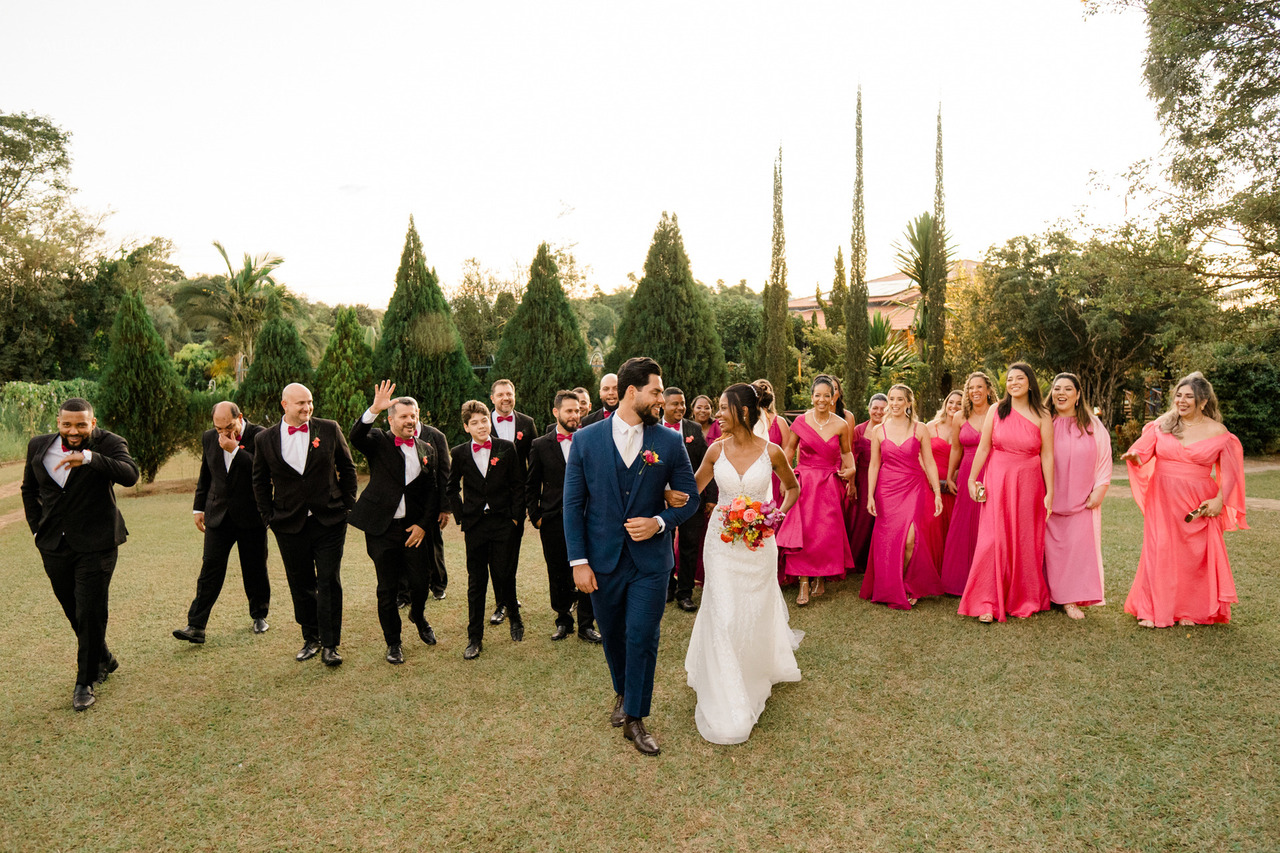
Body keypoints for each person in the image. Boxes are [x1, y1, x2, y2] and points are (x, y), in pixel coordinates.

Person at [563, 356, 699, 756]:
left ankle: (636, 718)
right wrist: (578, 562)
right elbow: (572, 505)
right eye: (656, 391)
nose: (661, 399)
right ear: (632, 392)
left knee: (642, 635)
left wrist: (659, 521)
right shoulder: (585, 440)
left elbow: (690, 499)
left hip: (650, 564)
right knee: (614, 636)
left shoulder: (668, 441)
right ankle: (623, 692)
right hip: (602, 560)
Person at [685, 383, 801, 745]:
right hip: (720, 544)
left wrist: (777, 515)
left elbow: (792, 488)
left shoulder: (772, 451)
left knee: (752, 609)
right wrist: (665, 494)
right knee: (723, 612)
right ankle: (725, 685)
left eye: (723, 408)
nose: (717, 414)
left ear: (744, 411)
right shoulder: (715, 450)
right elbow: (692, 491)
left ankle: (751, 667)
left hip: (759, 544)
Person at [22, 398, 139, 711]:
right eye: (67, 425)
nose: (73, 431)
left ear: (93, 423)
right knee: (73, 609)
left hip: (97, 544)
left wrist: (89, 458)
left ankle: (84, 682)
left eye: (81, 425)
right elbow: (29, 490)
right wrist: (37, 530)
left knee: (90, 612)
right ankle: (103, 656)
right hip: (53, 546)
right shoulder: (38, 446)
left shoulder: (109, 443)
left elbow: (130, 475)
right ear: (58, 422)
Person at [1121, 372, 1246, 627]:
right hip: (1162, 498)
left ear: (1203, 401)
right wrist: (1135, 457)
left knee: (1193, 555)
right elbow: (1142, 450)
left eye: (1189, 396)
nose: (1182, 400)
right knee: (1160, 549)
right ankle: (1151, 610)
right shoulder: (1163, 424)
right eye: (1179, 395)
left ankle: (1190, 609)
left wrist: (1219, 500)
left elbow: (1230, 473)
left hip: (1197, 501)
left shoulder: (1218, 431)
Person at [252, 383, 358, 666]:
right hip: (288, 523)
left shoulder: (329, 428)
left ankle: (331, 645)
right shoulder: (264, 439)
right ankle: (311, 637)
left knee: (329, 580)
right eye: (300, 403)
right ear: (284, 405)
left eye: (309, 402)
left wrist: (347, 505)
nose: (307, 407)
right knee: (300, 583)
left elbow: (347, 468)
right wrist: (268, 517)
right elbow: (259, 481)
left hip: (330, 520)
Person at [348, 381, 448, 664]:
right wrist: (373, 409)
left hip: (413, 529)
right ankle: (393, 643)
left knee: (420, 582)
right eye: (403, 416)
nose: (409, 420)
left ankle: (418, 615)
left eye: (413, 415)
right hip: (382, 528)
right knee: (387, 589)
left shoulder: (427, 449)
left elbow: (432, 492)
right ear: (391, 420)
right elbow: (356, 436)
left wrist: (423, 525)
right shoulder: (378, 441)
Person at [958, 363, 1054, 623]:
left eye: (1019, 378)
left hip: (1029, 482)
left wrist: (1050, 492)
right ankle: (986, 601)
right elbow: (983, 448)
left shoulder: (1043, 414)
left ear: (1030, 382)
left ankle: (1022, 598)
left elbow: (1047, 455)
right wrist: (972, 479)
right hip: (997, 479)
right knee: (992, 540)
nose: (1013, 383)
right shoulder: (997, 409)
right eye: (1010, 379)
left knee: (1023, 540)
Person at [173, 401, 270, 645]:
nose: (224, 433)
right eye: (219, 429)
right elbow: (205, 474)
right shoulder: (209, 438)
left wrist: (235, 450)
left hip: (251, 515)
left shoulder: (260, 435)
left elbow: (263, 471)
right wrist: (198, 508)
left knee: (255, 568)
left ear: (240, 417)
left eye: (229, 427)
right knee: (210, 569)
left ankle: (259, 615)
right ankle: (196, 626)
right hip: (218, 514)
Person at [448, 399, 525, 660]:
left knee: (505, 574)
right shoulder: (459, 453)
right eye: (475, 423)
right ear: (466, 427)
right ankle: (474, 638)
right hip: (476, 526)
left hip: (503, 523)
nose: (481, 426)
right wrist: (462, 517)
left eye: (484, 421)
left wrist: (515, 519)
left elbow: (518, 485)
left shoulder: (506, 447)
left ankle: (515, 617)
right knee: (476, 581)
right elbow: (451, 488)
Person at [526, 390, 601, 643]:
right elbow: (531, 484)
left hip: (587, 517)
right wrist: (536, 516)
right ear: (556, 412)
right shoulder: (540, 445)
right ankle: (563, 620)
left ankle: (586, 625)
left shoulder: (590, 440)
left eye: (578, 410)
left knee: (587, 567)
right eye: (569, 411)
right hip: (553, 520)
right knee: (557, 571)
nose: (574, 415)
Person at [860, 384, 944, 610]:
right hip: (887, 490)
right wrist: (870, 496)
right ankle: (892, 586)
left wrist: (937, 492)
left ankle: (906, 582)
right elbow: (874, 465)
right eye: (892, 399)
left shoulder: (920, 428)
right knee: (887, 540)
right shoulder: (879, 430)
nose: (895, 403)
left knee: (910, 539)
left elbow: (929, 462)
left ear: (908, 402)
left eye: (899, 399)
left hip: (914, 487)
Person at [777, 375, 855, 606]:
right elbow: (789, 451)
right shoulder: (800, 422)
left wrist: (851, 470)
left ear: (833, 398)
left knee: (825, 533)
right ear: (811, 397)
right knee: (804, 531)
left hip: (829, 483)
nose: (822, 400)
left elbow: (846, 453)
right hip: (804, 484)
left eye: (826, 396)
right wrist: (784, 478)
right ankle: (803, 581)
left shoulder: (841, 425)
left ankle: (820, 576)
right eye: (818, 395)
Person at [1044, 373, 1112, 619]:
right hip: (1047, 500)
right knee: (1047, 550)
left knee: (1076, 550)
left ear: (1078, 394)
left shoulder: (1092, 425)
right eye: (1057, 388)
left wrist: (1100, 489)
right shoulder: (1044, 421)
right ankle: (1045, 595)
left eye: (1067, 389)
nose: (1061, 393)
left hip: (1082, 501)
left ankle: (1069, 599)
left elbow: (1104, 458)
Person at [661, 387, 717, 612]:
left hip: (691, 498)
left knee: (689, 545)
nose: (680, 407)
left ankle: (685, 593)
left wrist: (711, 497)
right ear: (663, 405)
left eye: (683, 403)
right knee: (663, 545)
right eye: (675, 403)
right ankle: (667, 587)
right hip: (660, 499)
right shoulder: (652, 428)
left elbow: (707, 463)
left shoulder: (693, 429)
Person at [940, 373, 995, 595]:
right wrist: (950, 475)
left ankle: (987, 579)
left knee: (988, 523)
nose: (975, 391)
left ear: (988, 390)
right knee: (963, 524)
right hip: (967, 474)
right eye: (971, 388)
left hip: (992, 471)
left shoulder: (998, 412)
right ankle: (960, 580)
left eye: (979, 387)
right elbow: (956, 448)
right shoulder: (960, 417)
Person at [487, 379, 534, 627]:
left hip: (517, 500)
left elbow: (534, 464)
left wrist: (529, 500)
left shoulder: (527, 423)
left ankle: (510, 596)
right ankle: (501, 603)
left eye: (509, 393)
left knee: (511, 552)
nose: (506, 398)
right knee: (495, 555)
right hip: (490, 501)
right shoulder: (483, 422)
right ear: (492, 398)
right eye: (501, 394)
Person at [847, 393, 887, 571]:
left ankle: (879, 559)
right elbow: (852, 458)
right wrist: (852, 484)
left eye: (883, 409)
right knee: (863, 518)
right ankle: (858, 560)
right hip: (863, 479)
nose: (878, 412)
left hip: (885, 479)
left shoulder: (890, 429)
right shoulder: (859, 430)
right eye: (875, 408)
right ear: (869, 409)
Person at [925, 390, 964, 541]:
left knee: (952, 528)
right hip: (930, 484)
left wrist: (954, 477)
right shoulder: (930, 426)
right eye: (951, 402)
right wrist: (929, 478)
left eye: (959, 404)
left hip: (954, 485)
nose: (954, 406)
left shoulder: (965, 430)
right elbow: (920, 455)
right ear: (945, 404)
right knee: (931, 525)